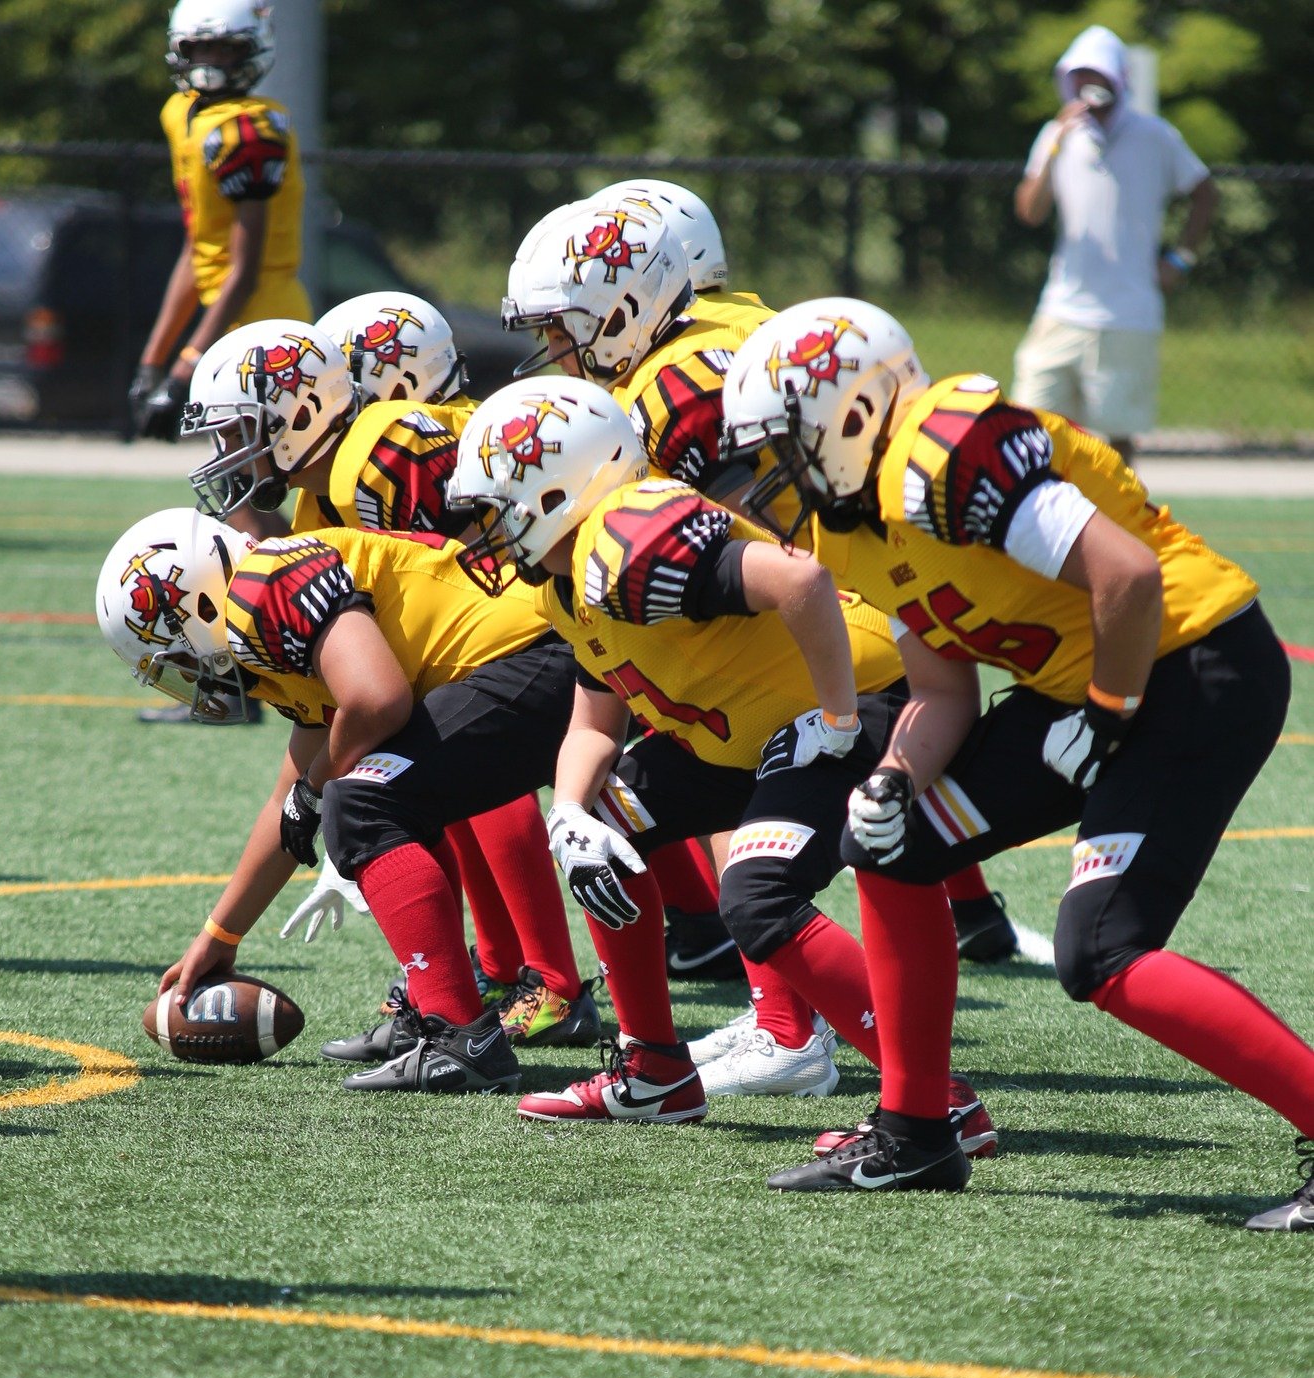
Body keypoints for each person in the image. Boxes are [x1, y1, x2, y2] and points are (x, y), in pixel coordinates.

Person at [720, 297, 1314, 1230]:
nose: (770, 475)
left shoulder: (945, 453)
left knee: (1101, 949)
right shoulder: (853, 524)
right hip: (1088, 690)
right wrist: (895, 778)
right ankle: (916, 1131)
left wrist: (1109, 717)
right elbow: (942, 692)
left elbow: (1128, 575)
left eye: (782, 444)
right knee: (892, 843)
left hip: (1189, 667)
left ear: (852, 411)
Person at [448, 378, 996, 1154]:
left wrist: (838, 719)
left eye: (492, 506)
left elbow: (799, 580)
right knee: (606, 823)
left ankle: (936, 1100)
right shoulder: (568, 585)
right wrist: (567, 812)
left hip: (859, 704)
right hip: (748, 738)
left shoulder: (629, 535)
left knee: (757, 894)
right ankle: (655, 1074)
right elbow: (592, 723)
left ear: (551, 489)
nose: (482, 531)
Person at [506, 194, 1018, 977]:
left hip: (839, 604)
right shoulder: (728, 324)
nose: (550, 346)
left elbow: (748, 558)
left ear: (618, 309)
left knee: (723, 721)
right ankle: (968, 912)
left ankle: (779, 1015)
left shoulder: (663, 390)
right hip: (881, 585)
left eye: (558, 325)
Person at [179, 314, 597, 1049]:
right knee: (402, 765)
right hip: (522, 650)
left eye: (237, 428)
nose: (225, 454)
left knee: (417, 761)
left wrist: (325, 789)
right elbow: (306, 762)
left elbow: (483, 580)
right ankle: (492, 976)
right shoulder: (316, 503)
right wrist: (222, 926)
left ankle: (552, 982)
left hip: (553, 634)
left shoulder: (386, 451)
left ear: (299, 410)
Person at [94, 509, 599, 1095]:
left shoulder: (264, 583)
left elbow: (378, 700)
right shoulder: (264, 622)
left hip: (545, 660)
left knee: (360, 799)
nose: (186, 679)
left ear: (200, 605)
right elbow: (287, 806)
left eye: (177, 659)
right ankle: (444, 1016)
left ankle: (459, 1036)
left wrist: (315, 787)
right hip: (536, 666)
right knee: (373, 791)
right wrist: (220, 935)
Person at [1011, 24, 1216, 470]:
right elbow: (1030, 211)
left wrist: (1180, 258)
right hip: (1062, 307)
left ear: (1118, 80)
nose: (1090, 87)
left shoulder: (1154, 135)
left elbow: (1204, 192)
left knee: (1118, 435)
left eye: (1099, 76)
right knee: (1029, 423)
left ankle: (1124, 526)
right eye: (1081, 77)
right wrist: (1055, 144)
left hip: (1128, 312)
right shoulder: (1058, 135)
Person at [130, 0, 310, 449]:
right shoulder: (184, 114)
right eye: (200, 49)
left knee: (245, 484)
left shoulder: (248, 133)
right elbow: (198, 247)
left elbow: (244, 273)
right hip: (224, 316)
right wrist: (152, 361)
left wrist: (184, 366)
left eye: (225, 50)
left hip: (264, 316)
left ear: (249, 50)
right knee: (234, 484)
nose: (210, 63)